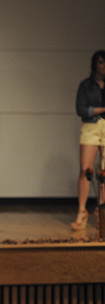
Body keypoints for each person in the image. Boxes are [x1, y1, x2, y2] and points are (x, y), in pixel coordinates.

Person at [73, 50, 105, 230]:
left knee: (104, 174)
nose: (104, 66)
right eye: (101, 62)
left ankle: (101, 211)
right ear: (95, 65)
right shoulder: (86, 85)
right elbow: (81, 109)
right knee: (86, 170)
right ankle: (82, 211)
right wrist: (101, 110)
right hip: (91, 127)